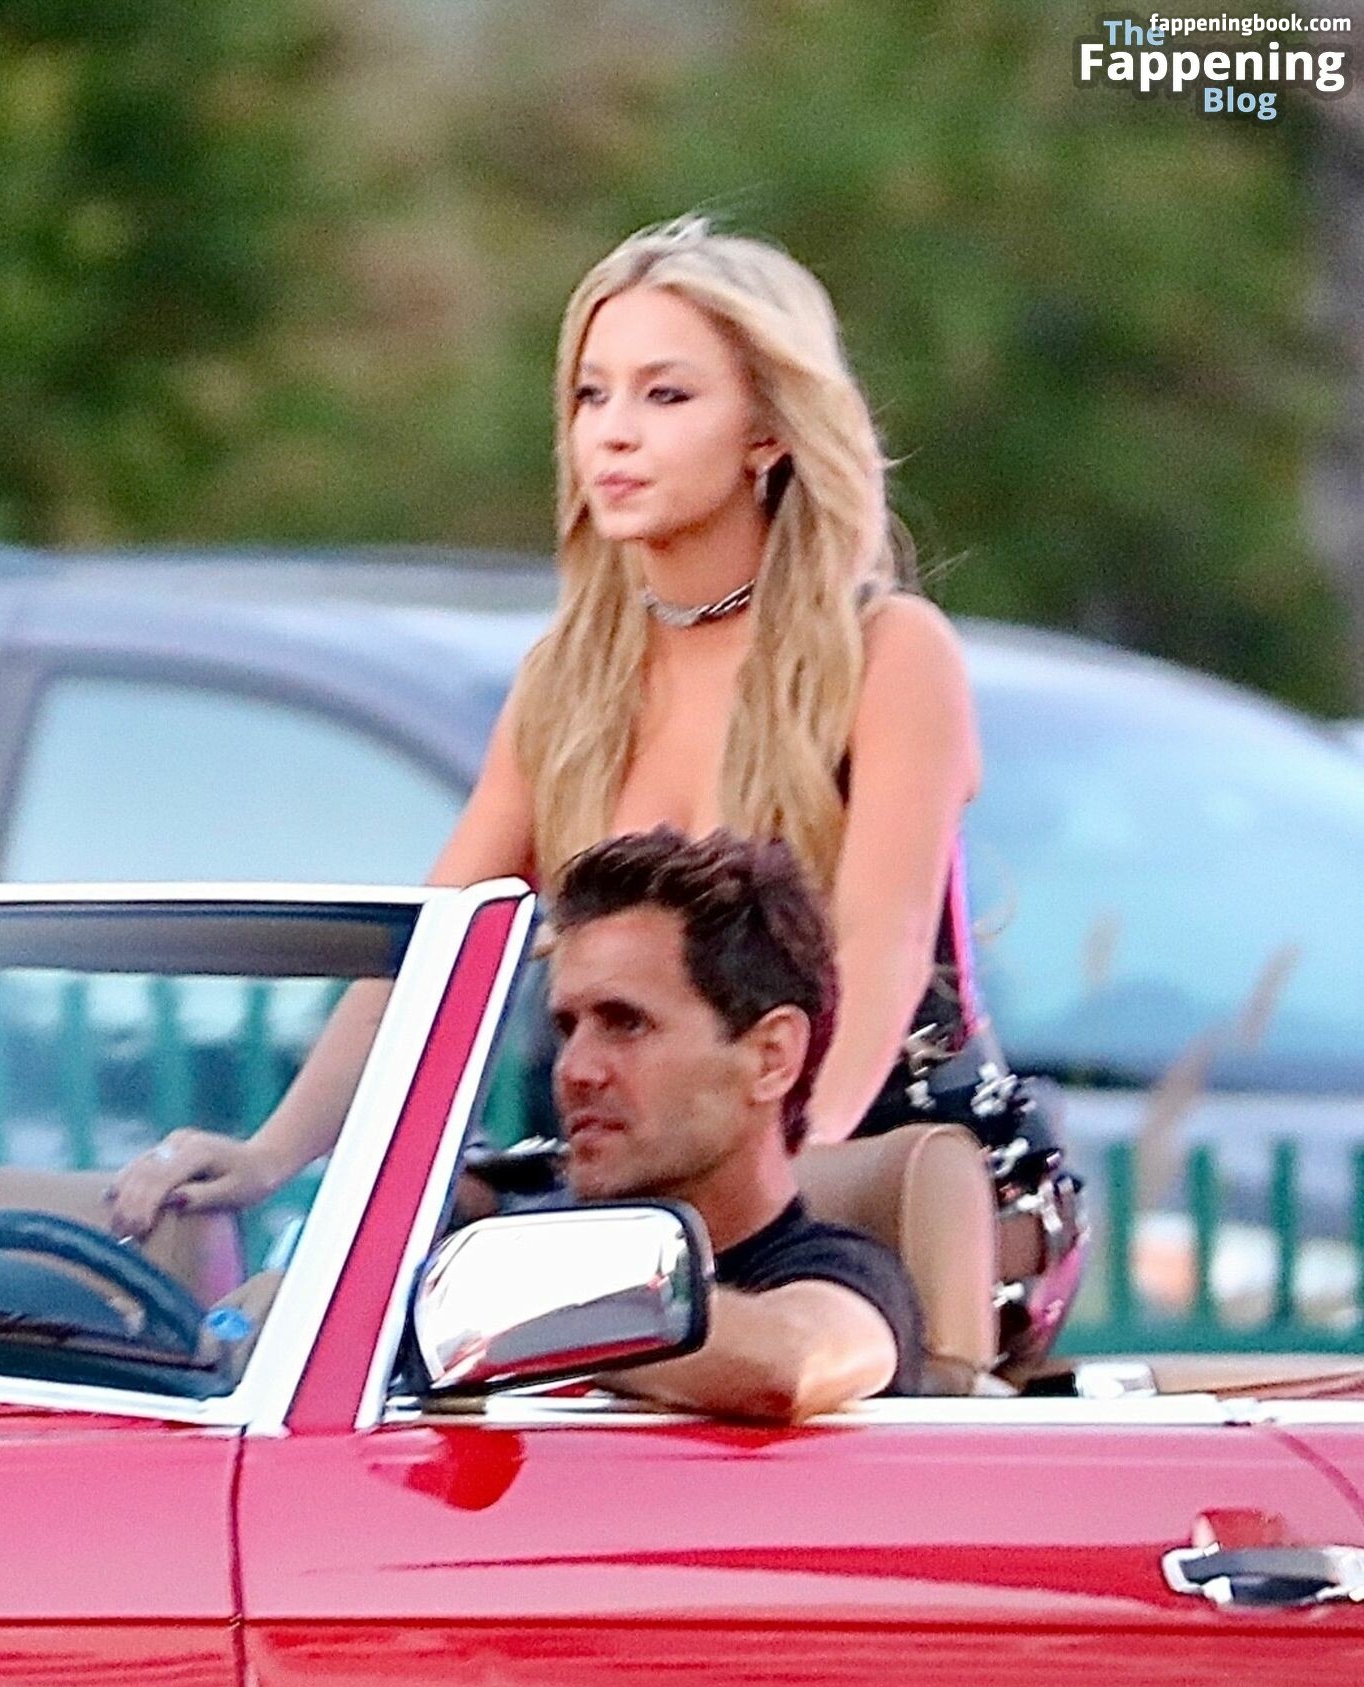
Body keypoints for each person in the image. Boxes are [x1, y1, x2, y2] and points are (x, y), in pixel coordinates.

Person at [107, 213, 980, 1241]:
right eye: (590, 394)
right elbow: (428, 962)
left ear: (768, 431)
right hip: (661, 1183)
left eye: (665, 395)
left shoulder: (887, 652)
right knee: (417, 1255)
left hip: (873, 1167)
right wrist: (270, 1152)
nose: (614, 431)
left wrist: (795, 1172)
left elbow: (879, 947)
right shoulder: (565, 684)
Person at [437, 826, 923, 1417]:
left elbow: (791, 1364)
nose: (575, 1070)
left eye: (626, 1023)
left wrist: (490, 1308)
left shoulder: (848, 1277)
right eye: (567, 1028)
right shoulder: (513, 1235)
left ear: (771, 1057)